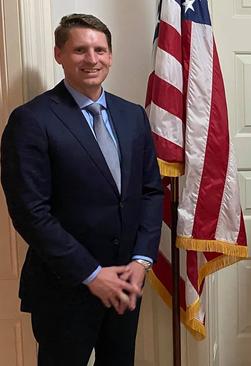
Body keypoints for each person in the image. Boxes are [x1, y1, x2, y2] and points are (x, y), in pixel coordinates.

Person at [1, 14, 163, 365]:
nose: (92, 59)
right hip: (65, 288)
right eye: (80, 50)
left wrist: (141, 259)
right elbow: (31, 212)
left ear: (110, 55)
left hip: (125, 284)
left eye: (99, 50)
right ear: (59, 54)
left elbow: (151, 191)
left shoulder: (132, 115)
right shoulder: (32, 120)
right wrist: (91, 274)